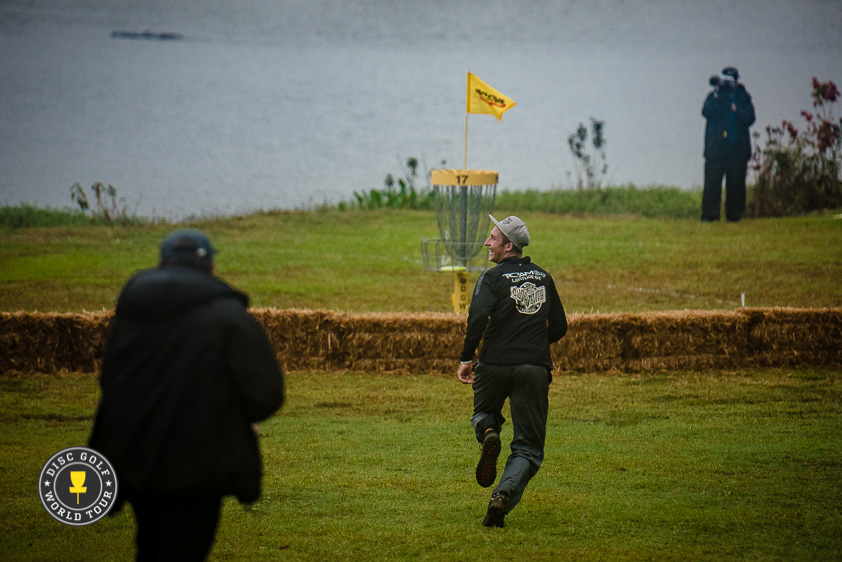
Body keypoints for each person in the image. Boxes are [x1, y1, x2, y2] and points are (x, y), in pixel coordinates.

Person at [89, 229, 285, 561]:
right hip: (199, 464)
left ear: (163, 262)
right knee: (186, 550)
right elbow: (265, 394)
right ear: (209, 267)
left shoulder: (131, 314)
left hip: (135, 457)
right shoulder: (230, 317)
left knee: (149, 544)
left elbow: (110, 381)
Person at [457, 215, 568, 528]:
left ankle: (489, 433)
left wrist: (467, 357)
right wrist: (532, 342)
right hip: (534, 367)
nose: (486, 243)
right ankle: (502, 496)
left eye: (492, 238)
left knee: (482, 414)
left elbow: (477, 316)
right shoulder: (544, 278)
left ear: (508, 245)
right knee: (528, 447)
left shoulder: (492, 278)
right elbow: (560, 326)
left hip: (493, 365)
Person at [701, 66, 756, 222]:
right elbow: (705, 112)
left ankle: (734, 216)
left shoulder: (743, 97)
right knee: (712, 182)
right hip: (716, 148)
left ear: (737, 82)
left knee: (736, 183)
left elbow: (750, 118)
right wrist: (718, 98)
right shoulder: (714, 96)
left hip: (736, 147)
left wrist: (735, 110)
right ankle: (709, 215)